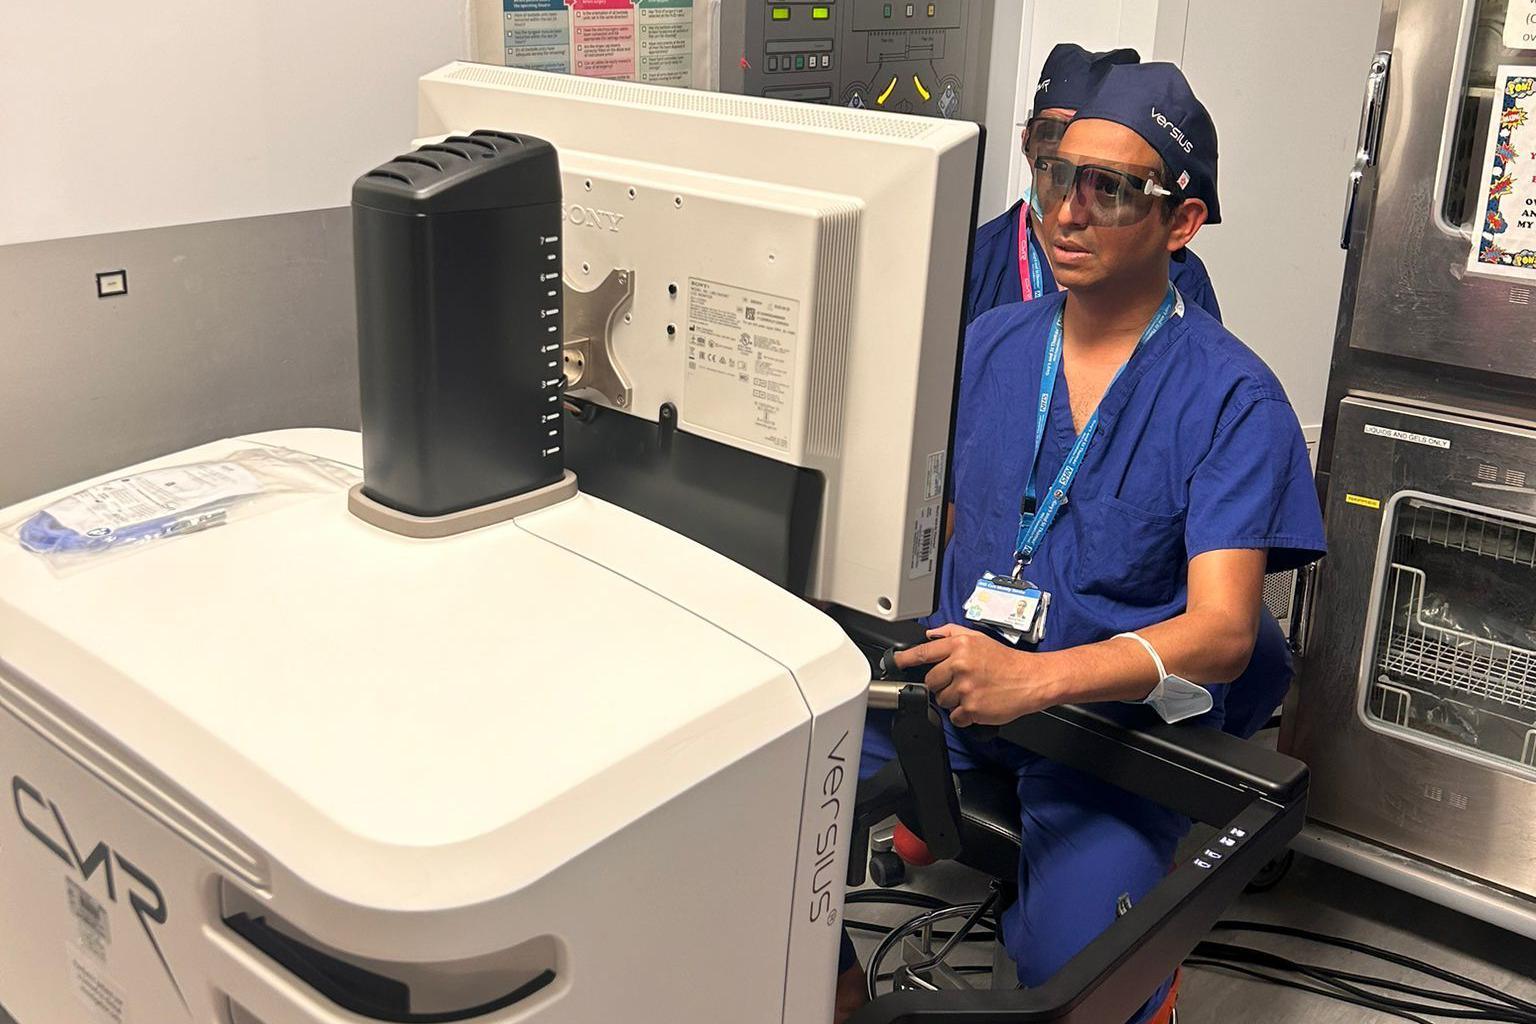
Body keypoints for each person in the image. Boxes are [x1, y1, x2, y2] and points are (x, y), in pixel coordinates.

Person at [834, 62, 1325, 1023]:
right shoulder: (987, 347)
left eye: (1112, 189)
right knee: (746, 798)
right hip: (947, 684)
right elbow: (932, 519)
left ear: (1182, 223)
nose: (1068, 212)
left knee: (1087, 974)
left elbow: (1226, 634)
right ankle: (836, 991)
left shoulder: (1231, 399)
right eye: (1059, 176)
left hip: (1102, 735)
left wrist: (1037, 681)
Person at [968, 44, 1223, 325]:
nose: (1065, 165)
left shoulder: (1178, 275)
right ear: (1026, 140)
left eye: (1102, 172)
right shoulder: (976, 264)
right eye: (1051, 134)